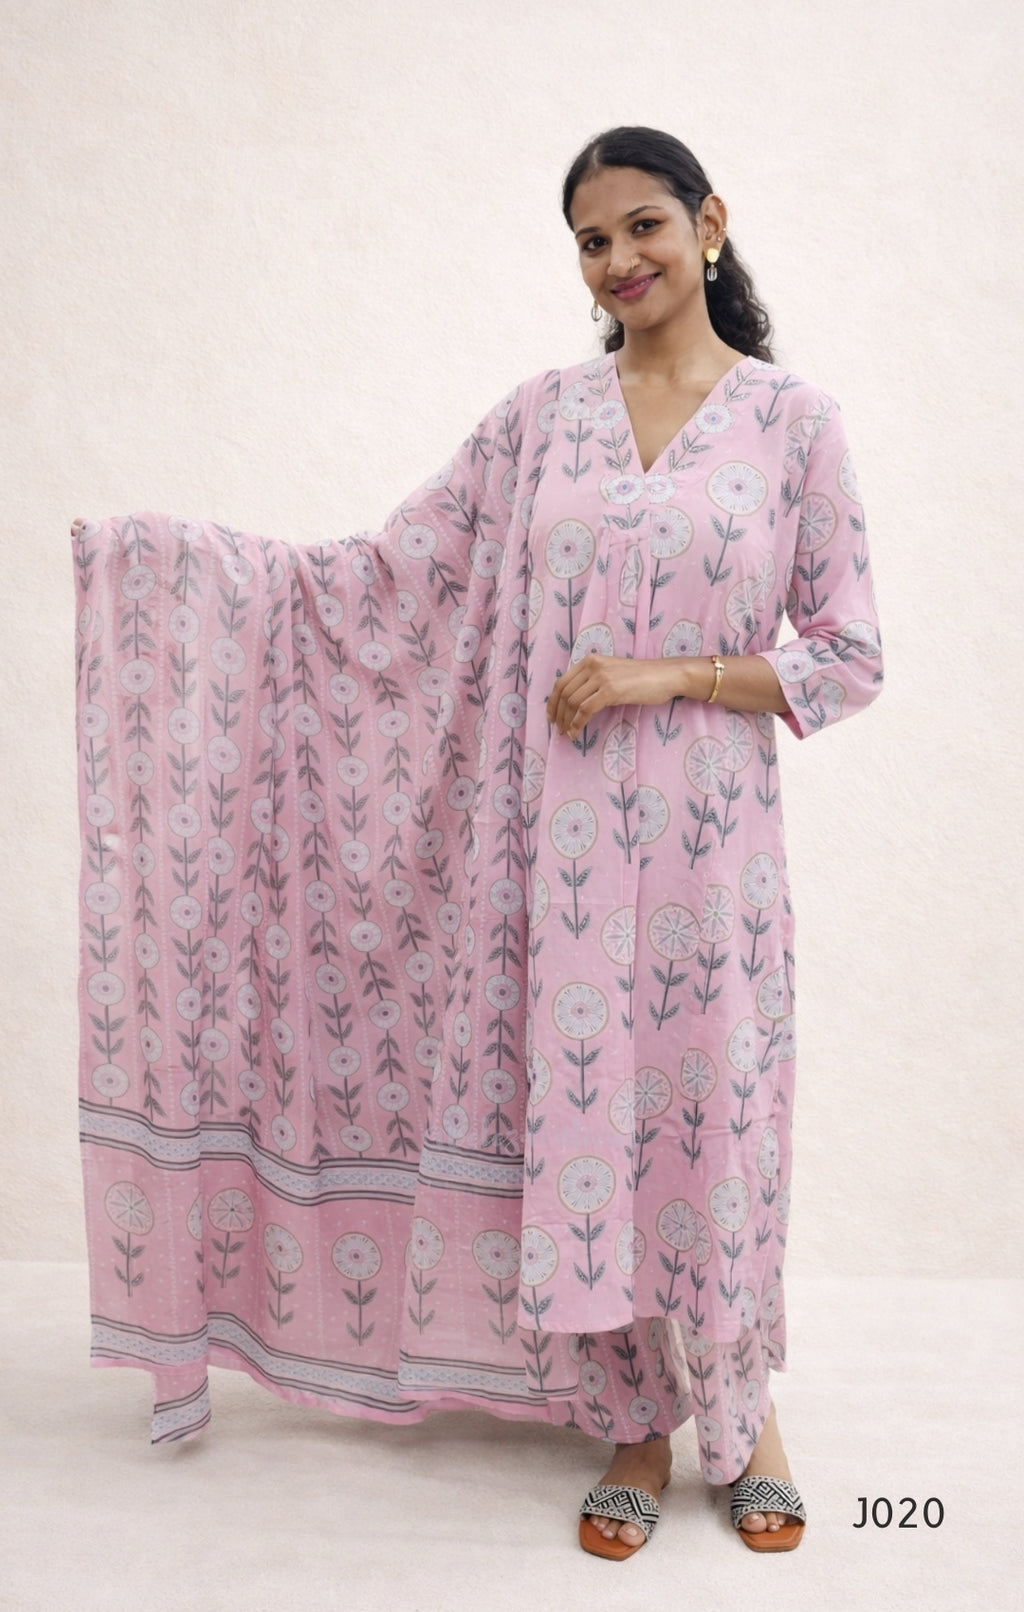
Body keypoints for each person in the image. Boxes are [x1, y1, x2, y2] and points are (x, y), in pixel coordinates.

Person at [70, 124, 881, 1561]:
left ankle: (745, 1414)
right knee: (593, 1135)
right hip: (559, 865)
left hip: (712, 858)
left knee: (719, 1130)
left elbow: (847, 655)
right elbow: (394, 578)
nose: (622, 259)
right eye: (591, 240)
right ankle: (633, 1415)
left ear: (709, 223)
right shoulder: (540, 423)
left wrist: (661, 675)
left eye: (643, 226)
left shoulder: (791, 424)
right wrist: (183, 571)